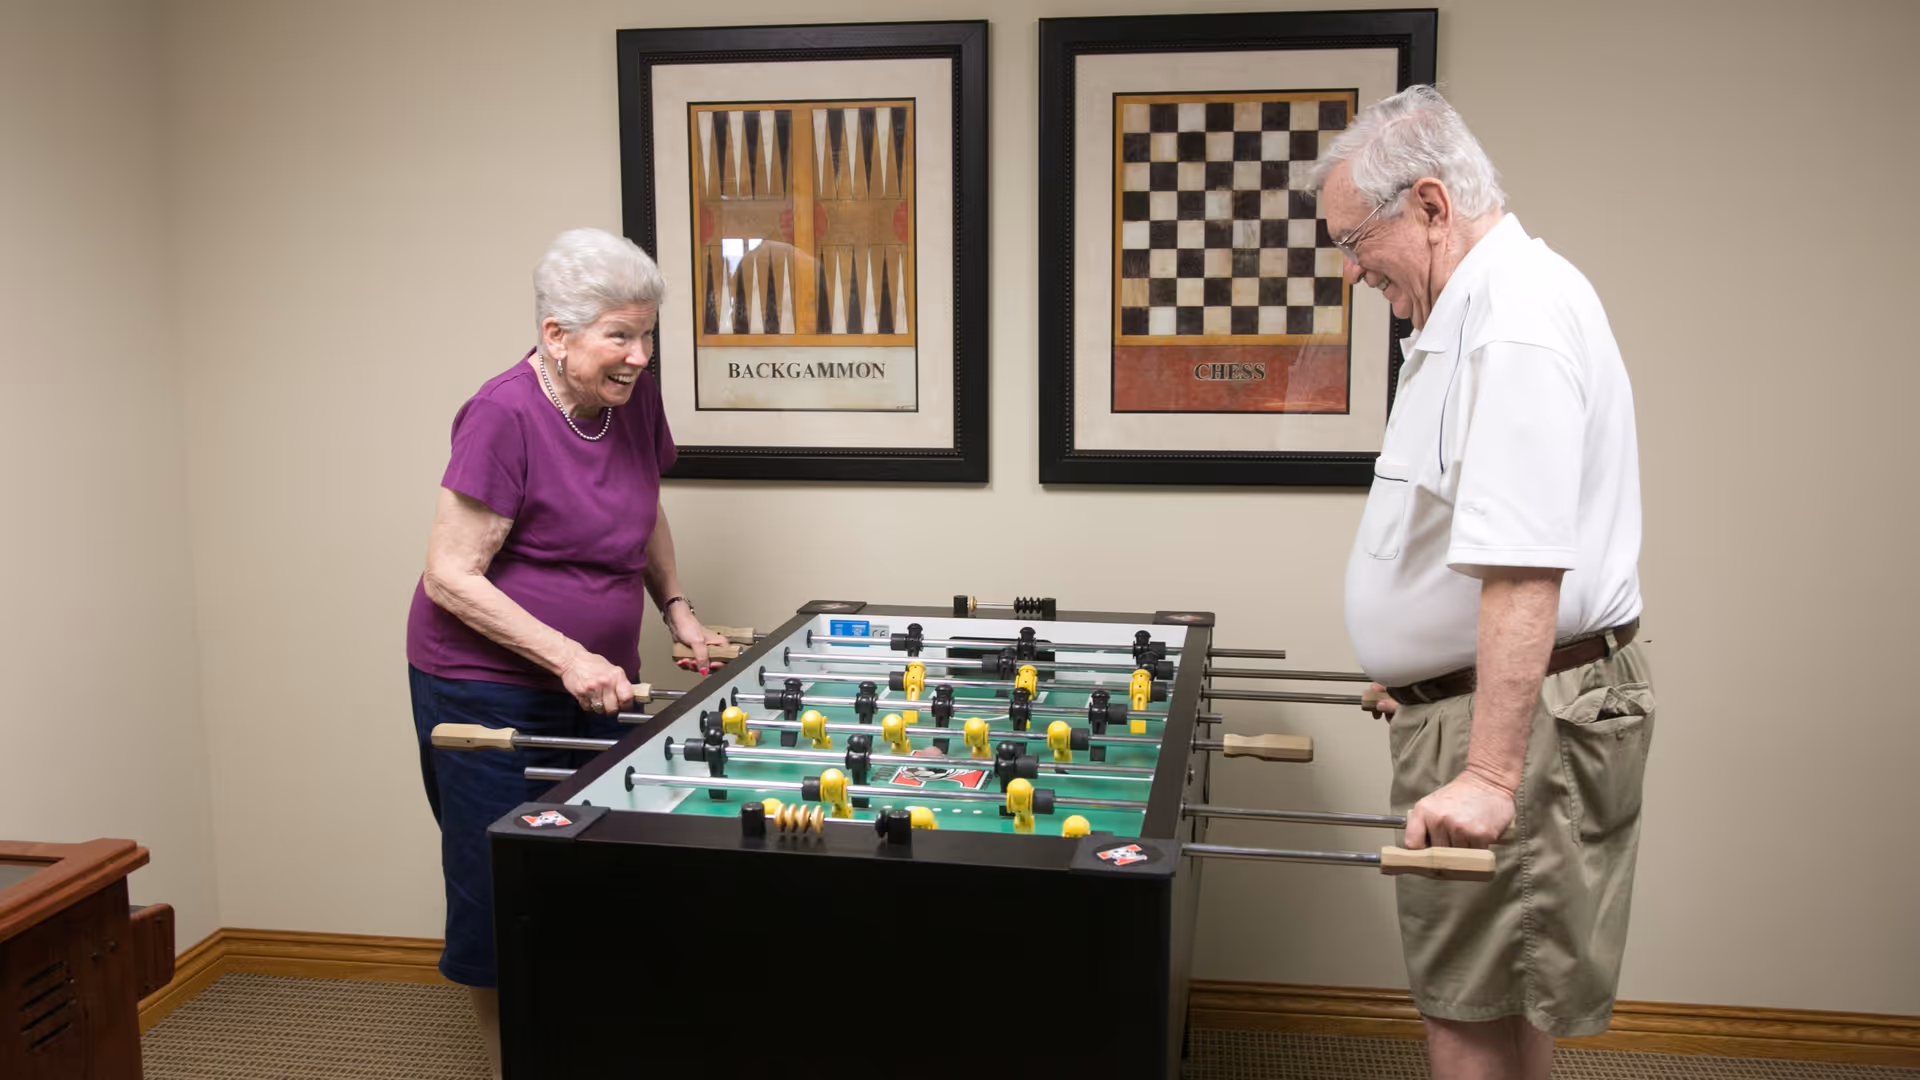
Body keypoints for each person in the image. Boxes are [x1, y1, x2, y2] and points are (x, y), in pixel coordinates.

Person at [1311, 86, 1653, 1080]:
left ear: (1428, 204)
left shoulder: (1512, 320)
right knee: (1493, 998)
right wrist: (1421, 671)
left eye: (1354, 240)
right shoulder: (1476, 308)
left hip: (1518, 733)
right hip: (1488, 708)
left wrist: (1492, 772)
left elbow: (1523, 567)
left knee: (1468, 1011)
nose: (1348, 270)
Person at [405, 227, 727, 1075]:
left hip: (599, 682)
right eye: (619, 336)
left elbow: (642, 504)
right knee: (500, 886)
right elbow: (450, 576)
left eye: (647, 335)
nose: (639, 356)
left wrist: (677, 610)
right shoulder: (502, 413)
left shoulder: (629, 397)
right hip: (485, 691)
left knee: (601, 868)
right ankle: (514, 1059)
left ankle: (589, 1041)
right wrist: (568, 658)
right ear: (556, 335)